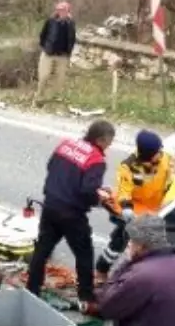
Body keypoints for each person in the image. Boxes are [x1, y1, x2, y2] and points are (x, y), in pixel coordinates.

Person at [27, 120, 115, 312]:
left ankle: (32, 289)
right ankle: (86, 297)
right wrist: (100, 200)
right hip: (72, 213)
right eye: (109, 142)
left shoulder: (66, 144)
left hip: (51, 204)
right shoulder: (96, 159)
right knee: (84, 253)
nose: (110, 146)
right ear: (101, 140)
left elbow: (51, 166)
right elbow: (88, 190)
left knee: (42, 249)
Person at [96, 130, 173, 277]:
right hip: (133, 210)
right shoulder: (129, 166)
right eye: (157, 151)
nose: (161, 153)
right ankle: (101, 270)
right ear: (148, 154)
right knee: (119, 242)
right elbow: (125, 191)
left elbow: (171, 179)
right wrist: (127, 209)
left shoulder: (166, 159)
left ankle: (138, 274)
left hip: (156, 210)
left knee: (151, 245)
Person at [35, 1, 76, 104]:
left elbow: (72, 38)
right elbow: (42, 35)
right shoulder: (50, 20)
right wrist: (45, 46)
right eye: (59, 10)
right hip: (48, 53)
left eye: (64, 10)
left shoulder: (71, 23)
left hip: (62, 55)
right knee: (44, 76)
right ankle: (39, 97)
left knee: (60, 79)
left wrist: (69, 52)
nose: (61, 12)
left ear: (68, 11)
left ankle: (56, 98)